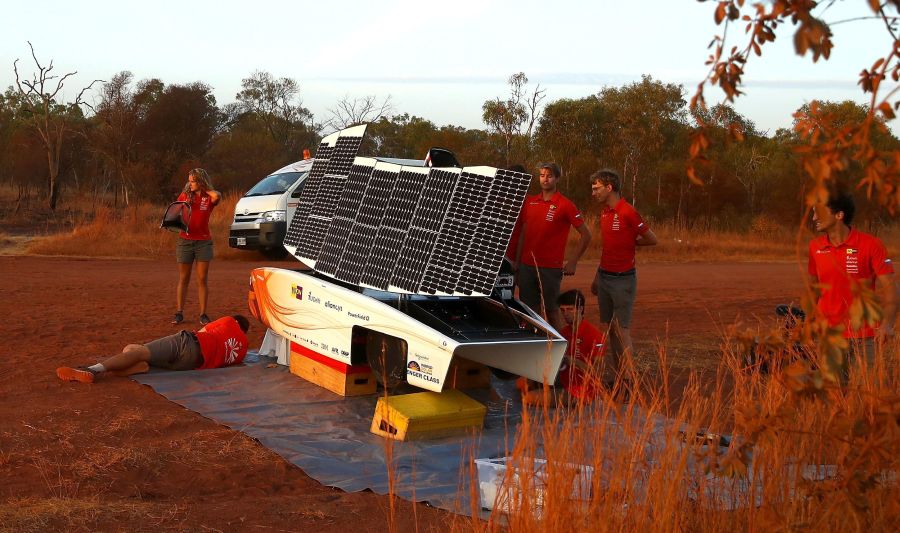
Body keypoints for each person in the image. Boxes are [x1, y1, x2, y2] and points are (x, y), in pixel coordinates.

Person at [808, 191, 895, 370]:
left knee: (866, 392)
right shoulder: (815, 247)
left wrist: (887, 325)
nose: (814, 217)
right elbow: (813, 290)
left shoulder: (871, 245)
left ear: (839, 215)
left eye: (819, 212)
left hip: (866, 337)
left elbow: (892, 288)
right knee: (834, 394)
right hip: (829, 336)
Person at [589, 169, 657, 382]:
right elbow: (608, 248)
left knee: (622, 330)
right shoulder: (605, 213)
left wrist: (632, 243)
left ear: (609, 188)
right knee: (610, 330)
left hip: (623, 280)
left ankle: (629, 381)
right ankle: (620, 378)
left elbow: (651, 238)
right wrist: (597, 277)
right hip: (605, 276)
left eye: (596, 188)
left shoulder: (627, 211)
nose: (593, 193)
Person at [56, 315, 250, 383]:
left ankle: (92, 370)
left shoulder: (229, 322)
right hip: (192, 365)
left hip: (189, 343)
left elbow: (203, 330)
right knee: (133, 352)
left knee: (134, 350)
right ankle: (140, 368)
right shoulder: (242, 350)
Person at [513, 162, 592, 329]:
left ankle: (559, 352)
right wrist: (518, 262)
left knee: (552, 310)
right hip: (527, 266)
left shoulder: (565, 205)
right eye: (542, 175)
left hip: (550, 268)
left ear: (557, 178)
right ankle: (535, 348)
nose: (545, 179)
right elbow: (523, 235)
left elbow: (586, 235)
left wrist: (573, 261)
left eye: (549, 176)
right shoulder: (531, 202)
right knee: (530, 312)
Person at [174, 168, 221, 325]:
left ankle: (203, 314)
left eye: (193, 181)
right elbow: (175, 213)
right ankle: (179, 312)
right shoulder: (185, 195)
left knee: (202, 278)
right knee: (184, 277)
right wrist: (185, 203)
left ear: (200, 181)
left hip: (203, 242)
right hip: (185, 241)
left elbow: (217, 196)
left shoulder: (209, 197)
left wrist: (204, 187)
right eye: (189, 180)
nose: (190, 183)